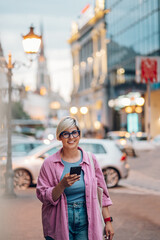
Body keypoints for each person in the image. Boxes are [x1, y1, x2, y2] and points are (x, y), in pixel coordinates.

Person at [36, 116, 114, 240]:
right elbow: (42, 195)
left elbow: (102, 193)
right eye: (66, 134)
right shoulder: (49, 163)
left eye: (74, 132)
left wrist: (108, 221)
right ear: (59, 137)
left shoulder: (90, 159)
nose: (71, 137)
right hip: (59, 218)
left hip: (86, 217)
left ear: (79, 135)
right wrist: (61, 185)